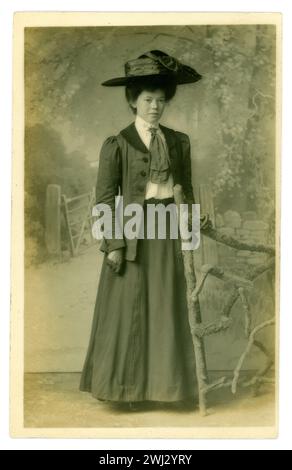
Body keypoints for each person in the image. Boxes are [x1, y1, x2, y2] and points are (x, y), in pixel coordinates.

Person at [79, 50, 203, 409]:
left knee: (166, 305)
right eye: (148, 100)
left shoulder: (178, 142)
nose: (155, 107)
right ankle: (127, 391)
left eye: (161, 101)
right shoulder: (118, 144)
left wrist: (189, 235)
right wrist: (113, 244)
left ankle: (168, 390)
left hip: (167, 228)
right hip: (132, 231)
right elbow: (104, 201)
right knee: (131, 309)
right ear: (133, 100)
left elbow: (187, 190)